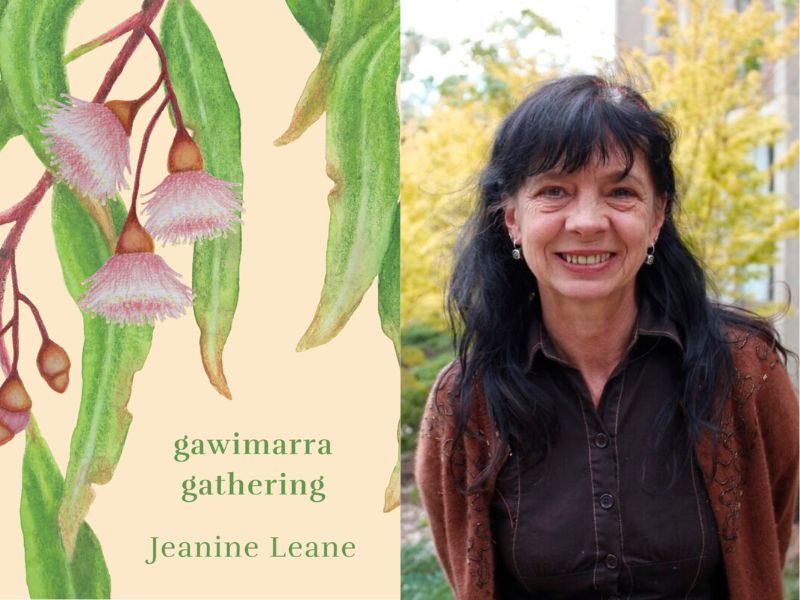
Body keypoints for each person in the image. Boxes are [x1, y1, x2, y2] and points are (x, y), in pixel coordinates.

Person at [415, 75, 799, 600]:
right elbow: (469, 577)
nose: (589, 222)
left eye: (621, 192)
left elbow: (766, 543)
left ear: (657, 215)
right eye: (554, 191)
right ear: (512, 219)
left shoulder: (745, 372)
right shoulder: (464, 402)